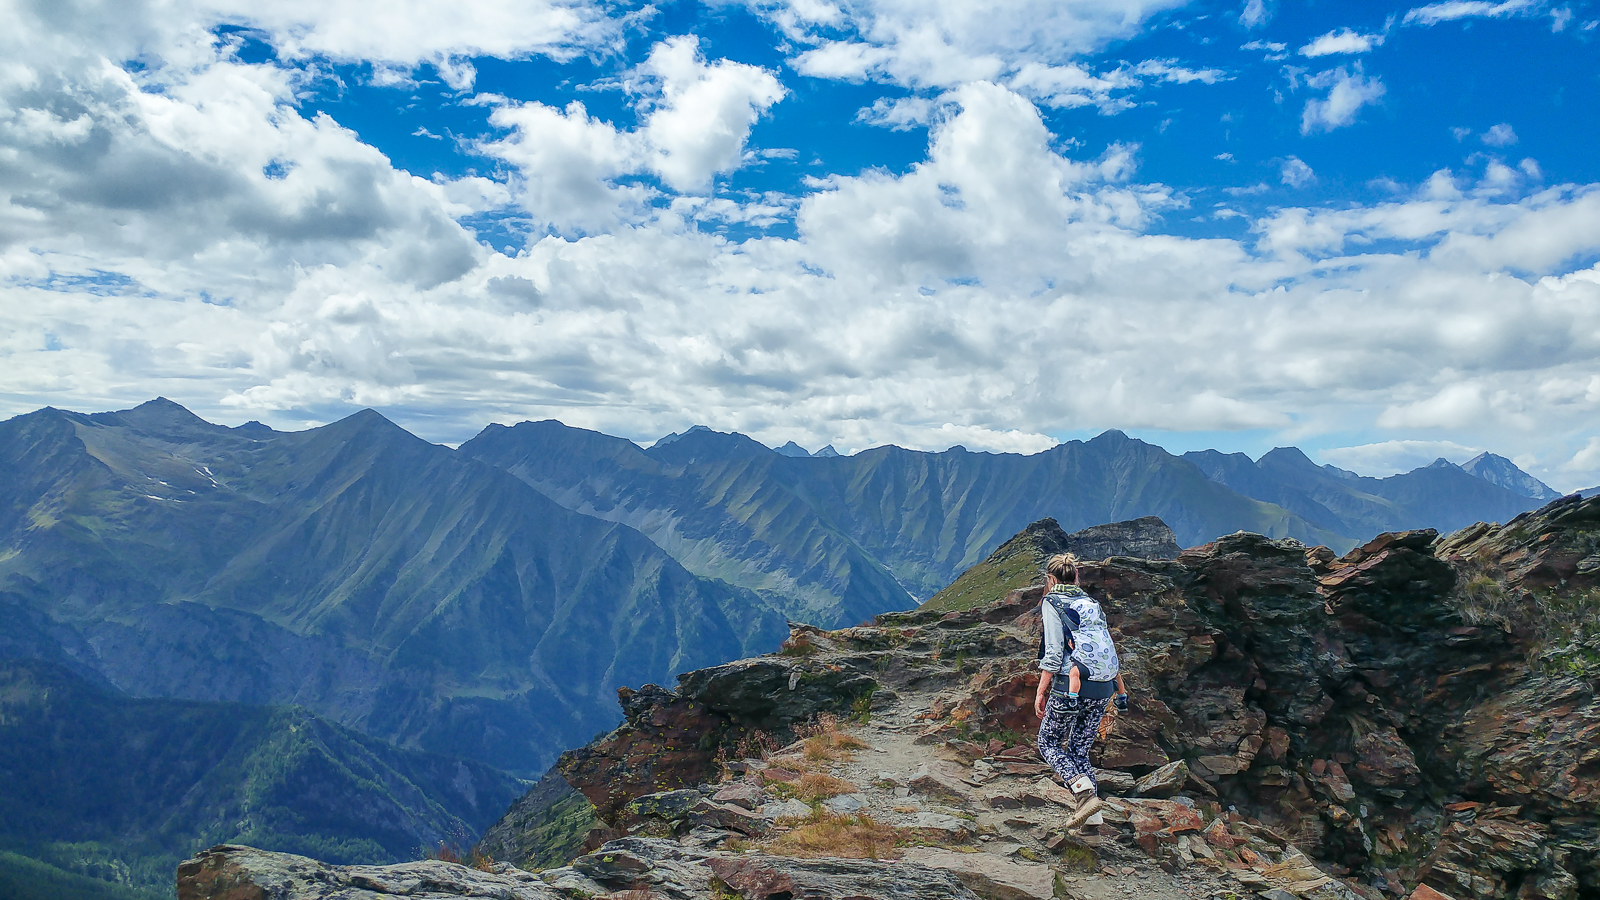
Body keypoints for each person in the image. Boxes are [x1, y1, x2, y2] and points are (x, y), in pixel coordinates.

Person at [1034, 552, 1130, 829]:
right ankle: (1093, 824)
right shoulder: (1091, 603)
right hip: (1103, 685)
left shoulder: (1052, 602)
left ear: (1051, 580)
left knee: (1049, 743)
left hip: (1069, 685)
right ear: (1076, 577)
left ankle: (1083, 791)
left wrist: (1041, 690)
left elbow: (1053, 652)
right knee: (1078, 752)